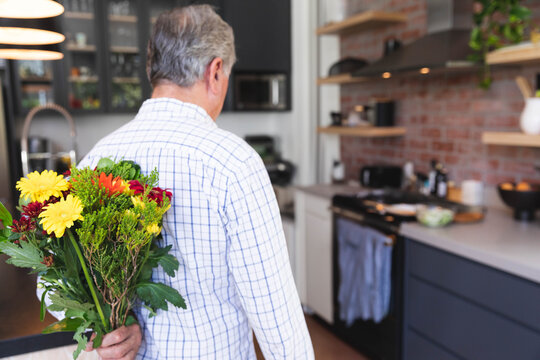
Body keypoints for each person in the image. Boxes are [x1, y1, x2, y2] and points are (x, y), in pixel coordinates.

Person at [78, 5, 314, 360]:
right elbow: (275, 313)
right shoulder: (234, 163)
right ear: (215, 71)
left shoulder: (96, 159)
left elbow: (49, 287)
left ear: (151, 68)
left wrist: (100, 328)